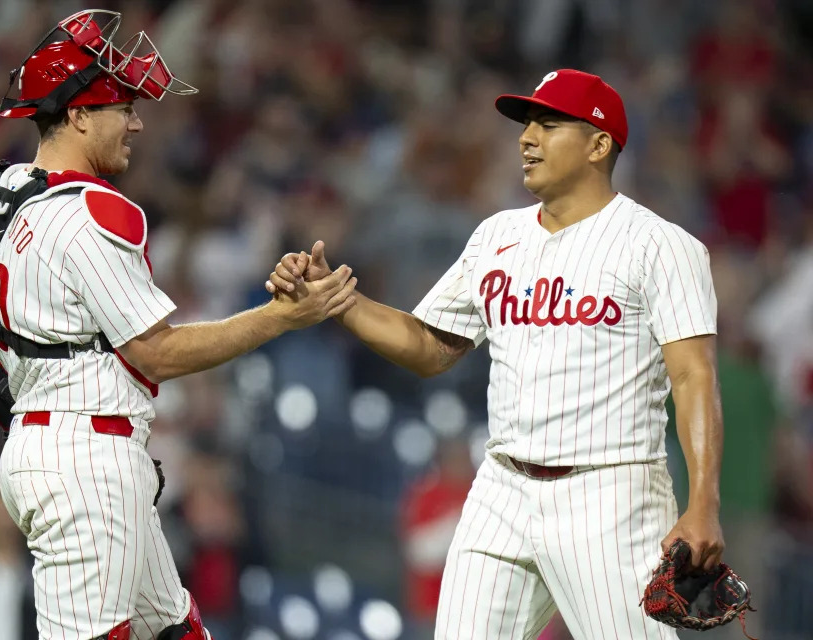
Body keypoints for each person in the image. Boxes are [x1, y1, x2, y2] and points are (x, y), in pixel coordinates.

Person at [0, 10, 356, 640]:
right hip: (87, 459)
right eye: (122, 108)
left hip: (48, 448)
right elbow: (155, 353)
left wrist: (32, 422)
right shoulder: (95, 212)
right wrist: (281, 317)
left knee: (174, 629)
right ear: (79, 114)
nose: (135, 121)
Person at [267, 69, 724, 638]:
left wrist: (702, 501)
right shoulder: (495, 236)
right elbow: (431, 346)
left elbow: (692, 375)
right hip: (501, 487)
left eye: (548, 124)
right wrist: (340, 301)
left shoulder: (661, 246)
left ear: (599, 144)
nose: (526, 137)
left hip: (609, 496)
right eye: (525, 123)